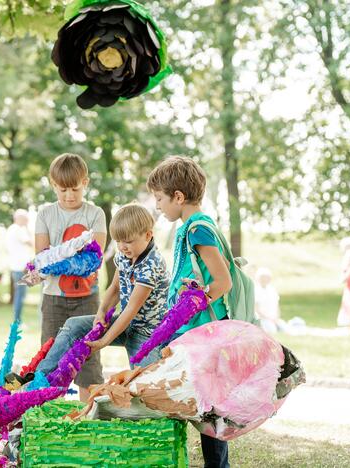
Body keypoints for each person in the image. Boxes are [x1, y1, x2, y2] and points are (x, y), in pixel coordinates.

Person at [147, 155, 233, 468]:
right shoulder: (189, 229)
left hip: (202, 332)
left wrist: (195, 300)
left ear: (178, 197)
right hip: (191, 331)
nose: (157, 205)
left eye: (159, 198)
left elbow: (223, 282)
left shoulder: (198, 229)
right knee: (198, 401)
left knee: (208, 405)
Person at [33, 204, 169, 380]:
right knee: (74, 325)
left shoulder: (152, 265)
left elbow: (131, 310)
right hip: (127, 324)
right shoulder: (124, 255)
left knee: (145, 388)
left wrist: (103, 342)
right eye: (118, 241)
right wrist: (101, 313)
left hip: (147, 335)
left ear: (148, 235)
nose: (122, 247)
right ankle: (38, 376)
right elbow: (115, 288)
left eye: (127, 241)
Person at [35, 153, 107, 401]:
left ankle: (89, 421)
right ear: (53, 184)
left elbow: (94, 260)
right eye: (63, 189)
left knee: (88, 359)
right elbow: (42, 258)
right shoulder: (45, 215)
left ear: (85, 182)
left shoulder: (95, 214)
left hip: (87, 298)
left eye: (75, 189)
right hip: (53, 299)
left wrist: (56, 261)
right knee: (51, 358)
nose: (69, 195)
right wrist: (57, 261)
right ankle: (53, 420)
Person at [5, 209, 32, 322]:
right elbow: (31, 242)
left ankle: (17, 320)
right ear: (19, 218)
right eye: (25, 218)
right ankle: (17, 321)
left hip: (16, 267)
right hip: (20, 268)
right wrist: (27, 228)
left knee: (19, 295)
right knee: (20, 296)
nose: (27, 220)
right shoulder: (17, 229)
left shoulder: (12, 229)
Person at [254, 268, 283, 333]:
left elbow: (277, 306)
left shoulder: (272, 290)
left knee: (284, 328)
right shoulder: (256, 291)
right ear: (258, 278)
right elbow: (257, 310)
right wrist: (269, 319)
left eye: (267, 277)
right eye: (262, 278)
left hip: (274, 318)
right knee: (272, 330)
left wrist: (276, 318)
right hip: (263, 319)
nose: (265, 279)